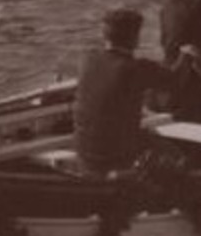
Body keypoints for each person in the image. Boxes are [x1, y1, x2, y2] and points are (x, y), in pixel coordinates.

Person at [74, 9, 172, 178]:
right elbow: (176, 81)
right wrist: (189, 55)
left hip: (84, 151)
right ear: (135, 39)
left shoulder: (88, 59)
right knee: (174, 155)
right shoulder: (136, 68)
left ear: (105, 35)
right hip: (115, 155)